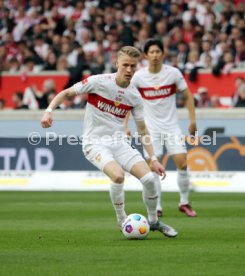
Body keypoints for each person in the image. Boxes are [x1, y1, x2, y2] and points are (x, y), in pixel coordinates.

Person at [41, 46, 178, 237]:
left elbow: (142, 129)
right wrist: (48, 111)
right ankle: (122, 220)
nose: (129, 70)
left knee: (149, 179)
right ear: (117, 64)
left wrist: (153, 158)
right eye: (125, 65)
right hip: (94, 143)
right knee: (118, 176)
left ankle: (154, 221)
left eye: (133, 66)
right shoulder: (99, 82)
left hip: (120, 143)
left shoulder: (135, 96)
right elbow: (66, 93)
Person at [125, 39, 197, 217]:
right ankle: (157, 206)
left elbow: (188, 96)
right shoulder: (139, 77)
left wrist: (193, 121)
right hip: (150, 130)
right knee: (153, 168)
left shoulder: (173, 73)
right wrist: (125, 125)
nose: (155, 55)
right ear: (146, 55)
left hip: (172, 127)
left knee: (183, 162)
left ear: (163, 53)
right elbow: (129, 100)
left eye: (158, 51)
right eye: (152, 52)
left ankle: (184, 202)